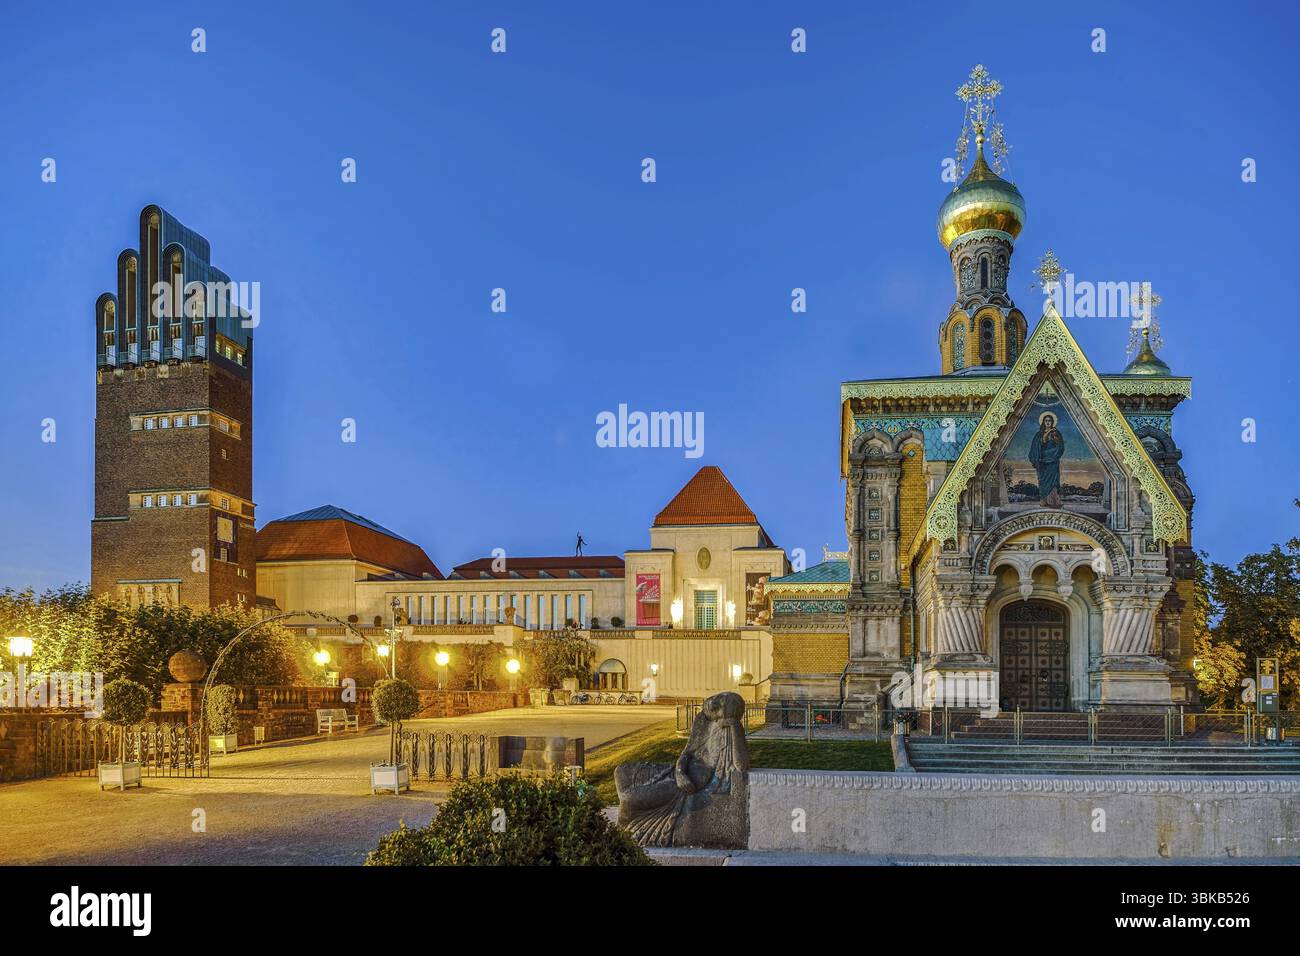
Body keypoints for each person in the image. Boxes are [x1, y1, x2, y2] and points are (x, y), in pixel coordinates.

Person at [1028, 412, 1065, 508]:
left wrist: (1055, 437)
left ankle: (1054, 501)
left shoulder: (1056, 432)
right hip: (1043, 462)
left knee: (1053, 482)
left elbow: (1060, 445)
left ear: (1052, 422)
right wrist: (1048, 432)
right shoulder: (1039, 434)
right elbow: (1042, 442)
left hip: (1053, 461)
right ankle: (1044, 501)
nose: (1048, 422)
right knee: (1043, 481)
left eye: (1049, 421)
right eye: (1046, 421)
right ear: (1043, 422)